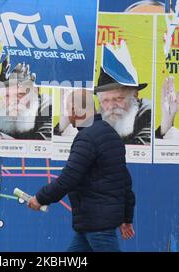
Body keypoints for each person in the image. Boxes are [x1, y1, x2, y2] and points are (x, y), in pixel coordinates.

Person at [28, 90, 136, 252]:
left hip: (97, 224)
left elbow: (69, 178)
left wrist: (40, 198)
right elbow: (124, 180)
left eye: (69, 109)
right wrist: (126, 217)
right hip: (92, 225)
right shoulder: (110, 134)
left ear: (78, 111)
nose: (68, 114)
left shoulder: (87, 138)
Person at [95, 69, 151, 145]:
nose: (111, 107)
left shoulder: (147, 113)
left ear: (134, 96)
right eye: (105, 100)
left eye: (118, 99)